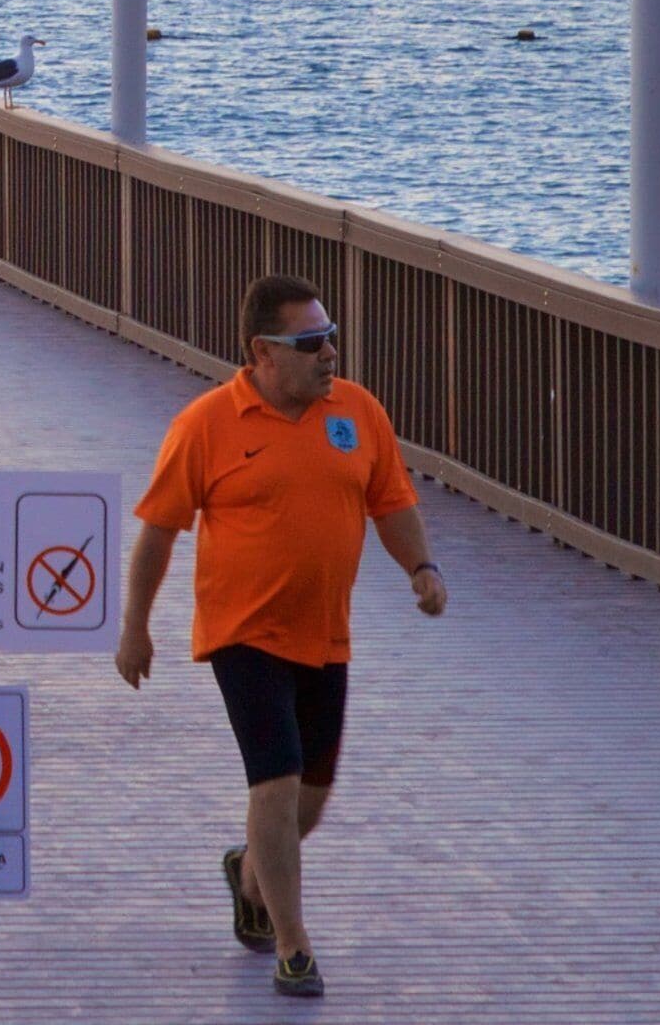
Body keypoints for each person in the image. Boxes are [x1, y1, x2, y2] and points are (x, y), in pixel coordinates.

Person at [116, 275, 445, 1002]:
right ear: (262, 353)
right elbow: (160, 530)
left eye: (331, 339)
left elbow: (391, 502)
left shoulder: (357, 413)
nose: (328, 354)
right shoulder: (207, 424)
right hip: (243, 632)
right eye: (309, 344)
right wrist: (135, 627)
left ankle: (248, 873)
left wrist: (420, 567)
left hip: (325, 634)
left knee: (310, 802)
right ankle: (294, 948)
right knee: (276, 775)